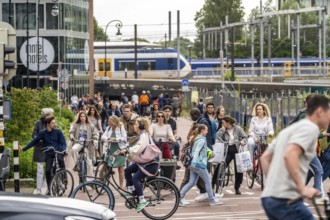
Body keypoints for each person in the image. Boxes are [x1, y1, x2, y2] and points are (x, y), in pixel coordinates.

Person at [260, 94, 330, 220]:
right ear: (320, 111)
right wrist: (302, 188)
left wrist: (273, 185)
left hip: (269, 198)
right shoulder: (311, 128)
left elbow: (265, 158)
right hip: (287, 200)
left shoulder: (289, 130)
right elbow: (290, 154)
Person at [119, 118, 160, 212]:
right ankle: (130, 192)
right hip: (145, 163)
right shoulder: (142, 135)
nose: (134, 125)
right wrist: (126, 150)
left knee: (135, 179)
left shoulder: (144, 135)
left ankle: (142, 200)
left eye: (135, 124)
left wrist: (127, 150)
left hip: (151, 165)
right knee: (127, 170)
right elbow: (135, 146)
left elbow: (139, 148)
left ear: (140, 126)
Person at [179, 124, 223, 207]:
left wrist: (211, 152)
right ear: (202, 130)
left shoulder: (198, 138)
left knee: (192, 182)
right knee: (208, 180)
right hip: (199, 164)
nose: (207, 131)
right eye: (206, 130)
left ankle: (179, 197)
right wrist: (194, 163)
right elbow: (196, 152)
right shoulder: (201, 140)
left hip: (195, 163)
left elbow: (203, 149)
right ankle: (212, 200)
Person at [21, 115, 66, 195]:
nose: (54, 124)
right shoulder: (43, 132)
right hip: (49, 154)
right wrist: (23, 149)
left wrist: (63, 150)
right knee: (48, 171)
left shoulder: (58, 131)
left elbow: (63, 143)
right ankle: (49, 188)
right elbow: (34, 142)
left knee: (60, 161)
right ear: (47, 124)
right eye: (52, 123)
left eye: (54, 123)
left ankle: (64, 178)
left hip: (58, 152)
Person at [216, 115, 247, 195]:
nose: (222, 124)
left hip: (236, 149)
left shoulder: (238, 128)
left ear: (228, 123)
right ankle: (215, 182)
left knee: (239, 169)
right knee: (221, 165)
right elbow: (217, 136)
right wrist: (219, 139)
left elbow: (245, 137)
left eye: (223, 123)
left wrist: (243, 142)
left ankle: (237, 187)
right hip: (227, 149)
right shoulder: (223, 130)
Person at [70, 111, 99, 180]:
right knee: (74, 149)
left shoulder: (91, 125)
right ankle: (77, 165)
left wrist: (95, 137)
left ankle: (91, 181)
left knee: (89, 163)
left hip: (87, 145)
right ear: (79, 117)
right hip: (78, 143)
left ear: (86, 117)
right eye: (81, 116)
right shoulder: (75, 125)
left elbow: (95, 133)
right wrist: (71, 136)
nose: (82, 118)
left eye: (84, 116)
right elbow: (71, 132)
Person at [31, 108, 54, 194]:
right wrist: (38, 139)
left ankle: (50, 187)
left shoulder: (52, 122)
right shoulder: (38, 123)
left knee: (50, 169)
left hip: (50, 149)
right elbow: (34, 134)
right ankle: (38, 188)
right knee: (40, 169)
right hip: (40, 148)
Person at [101, 116, 127, 189]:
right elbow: (103, 137)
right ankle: (104, 183)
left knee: (120, 168)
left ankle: (121, 186)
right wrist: (108, 138)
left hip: (120, 149)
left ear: (113, 121)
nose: (108, 122)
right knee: (108, 167)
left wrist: (116, 139)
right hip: (111, 149)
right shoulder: (108, 128)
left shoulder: (121, 127)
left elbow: (124, 138)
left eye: (109, 121)